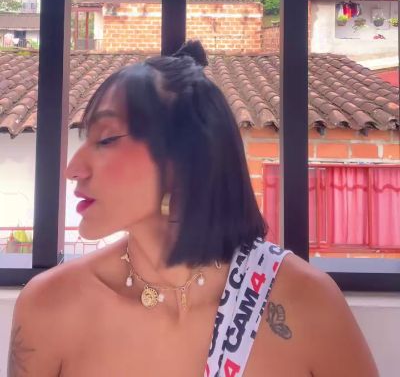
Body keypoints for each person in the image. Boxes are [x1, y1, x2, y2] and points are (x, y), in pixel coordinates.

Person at [8, 40, 378, 376]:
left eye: (106, 139)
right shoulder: (48, 307)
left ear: (185, 159)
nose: (73, 169)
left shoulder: (307, 302)